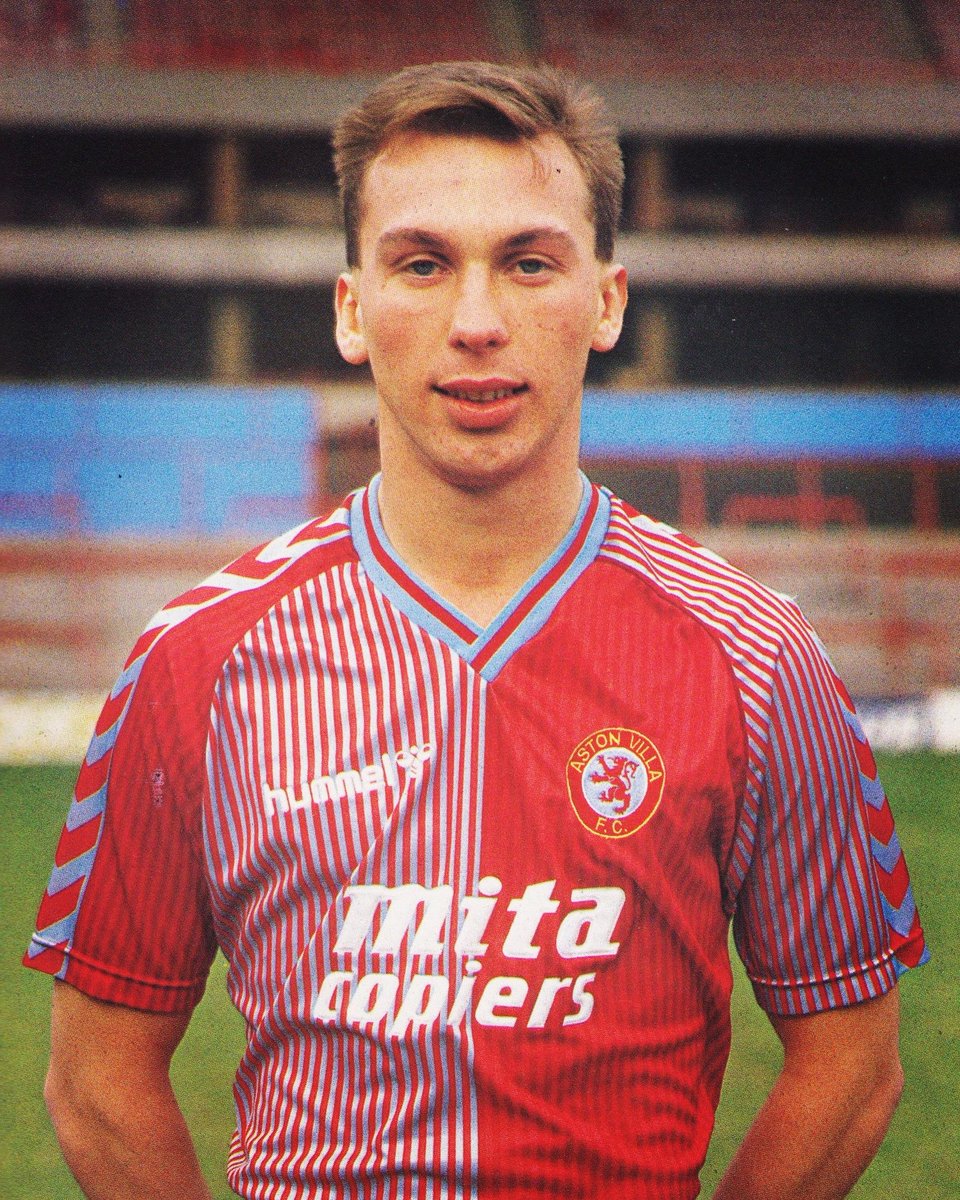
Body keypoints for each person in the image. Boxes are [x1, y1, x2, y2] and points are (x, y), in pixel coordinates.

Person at [26, 61, 928, 1200]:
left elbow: (854, 1061)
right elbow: (97, 1078)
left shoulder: (755, 656)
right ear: (353, 310)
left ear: (606, 301)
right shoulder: (200, 659)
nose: (478, 322)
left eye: (530, 262)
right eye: (421, 265)